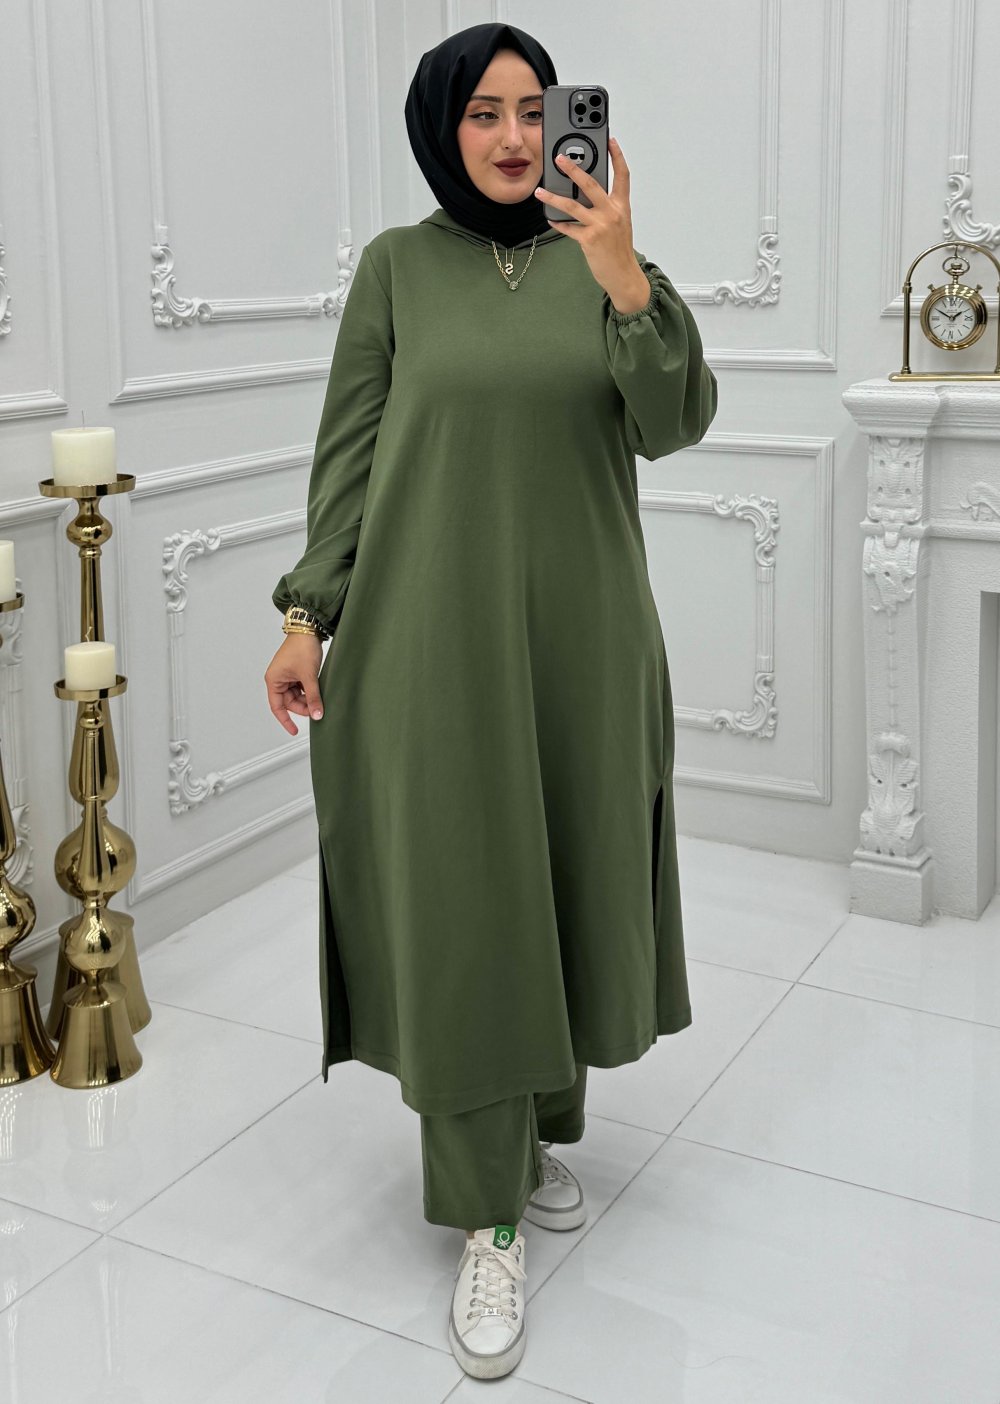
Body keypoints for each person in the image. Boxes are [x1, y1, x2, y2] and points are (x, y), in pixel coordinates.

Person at [264, 21, 718, 1382]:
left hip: (585, 642)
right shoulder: (397, 270)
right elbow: (349, 457)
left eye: (534, 109)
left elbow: (676, 422)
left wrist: (622, 273)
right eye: (484, 113)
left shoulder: (611, 263)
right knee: (468, 907)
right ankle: (487, 1218)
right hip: (432, 646)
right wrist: (305, 613)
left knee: (565, 881)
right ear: (440, 127)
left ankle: (526, 1138)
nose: (516, 138)